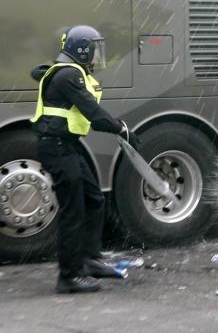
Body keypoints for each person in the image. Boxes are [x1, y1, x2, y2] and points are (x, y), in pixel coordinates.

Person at [30, 25, 139, 294]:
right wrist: (121, 128)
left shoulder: (70, 72)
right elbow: (93, 112)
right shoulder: (69, 75)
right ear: (82, 49)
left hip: (67, 145)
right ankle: (69, 276)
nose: (97, 55)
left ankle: (89, 260)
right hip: (57, 148)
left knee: (94, 199)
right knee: (73, 210)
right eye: (94, 49)